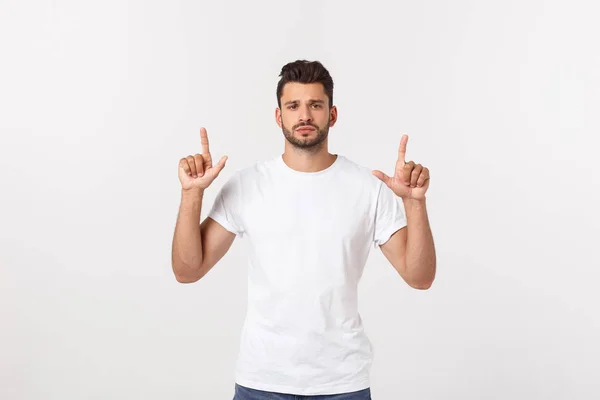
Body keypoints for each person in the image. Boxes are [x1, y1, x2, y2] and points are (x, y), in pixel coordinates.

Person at [171, 60, 436, 399]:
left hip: (342, 382)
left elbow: (420, 277)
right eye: (293, 106)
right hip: (262, 381)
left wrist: (415, 203)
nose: (305, 116)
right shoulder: (248, 185)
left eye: (315, 105)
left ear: (333, 114)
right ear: (279, 116)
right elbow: (187, 270)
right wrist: (191, 194)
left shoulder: (368, 188)